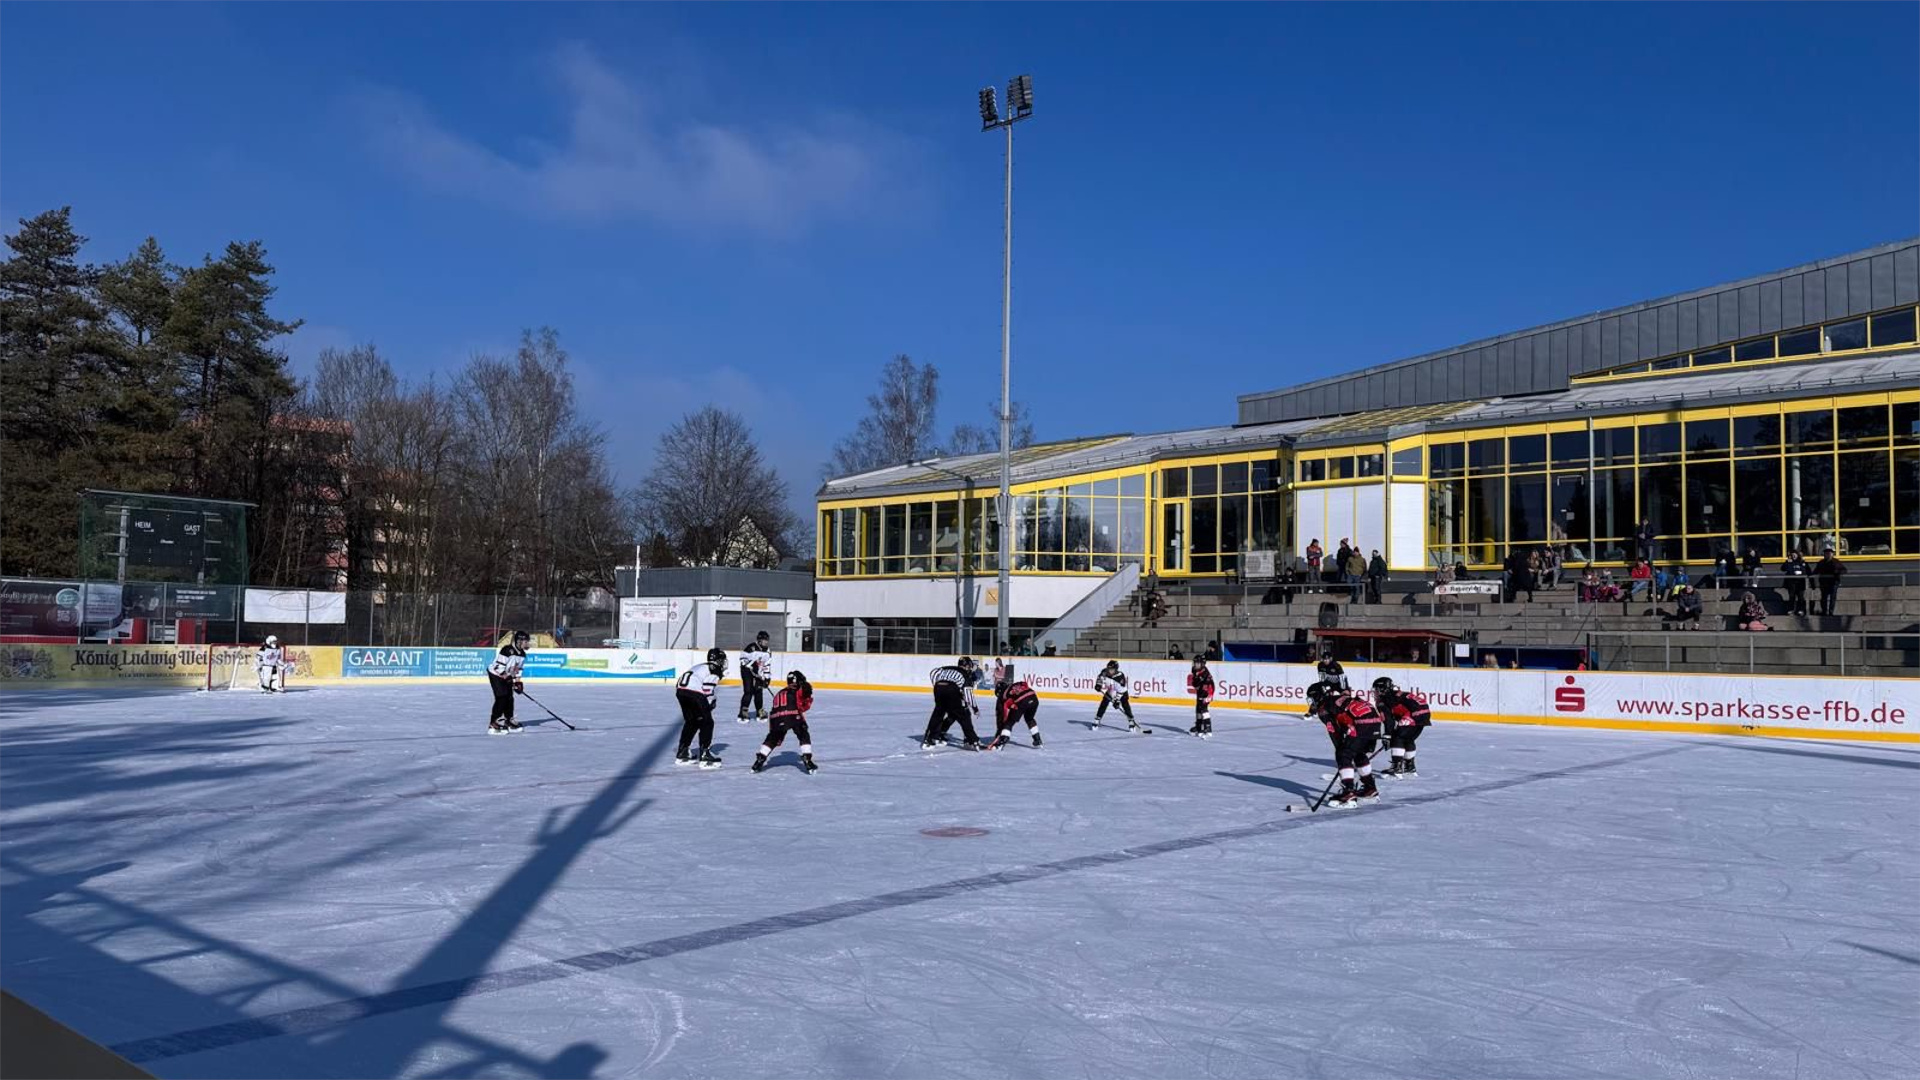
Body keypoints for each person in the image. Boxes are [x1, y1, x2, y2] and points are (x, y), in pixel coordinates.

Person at [1308, 681, 1383, 807]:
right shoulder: (1338, 698)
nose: (1311, 702)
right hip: (1374, 721)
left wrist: (1342, 755)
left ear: (1318, 696)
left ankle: (1348, 793)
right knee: (1359, 754)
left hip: (1361, 723)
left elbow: (1334, 732)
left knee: (1344, 753)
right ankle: (1370, 789)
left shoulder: (1324, 708)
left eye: (1312, 698)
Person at [752, 670, 818, 773]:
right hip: (792, 715)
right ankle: (807, 759)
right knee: (803, 734)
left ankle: (759, 760)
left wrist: (773, 729)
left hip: (775, 718)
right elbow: (804, 705)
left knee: (772, 739)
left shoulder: (780, 692)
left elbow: (774, 711)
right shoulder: (800, 689)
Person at [674, 647, 727, 767]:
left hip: (681, 691)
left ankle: (682, 752)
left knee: (692, 722)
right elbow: (707, 690)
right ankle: (705, 755)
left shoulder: (700, 666)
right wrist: (710, 703)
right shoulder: (715, 670)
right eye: (722, 660)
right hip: (694, 693)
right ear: (718, 660)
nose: (723, 663)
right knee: (707, 722)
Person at [1372, 677, 1431, 777]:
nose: (1375, 692)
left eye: (1376, 689)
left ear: (1382, 689)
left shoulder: (1383, 700)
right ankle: (1409, 766)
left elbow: (1388, 721)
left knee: (1397, 738)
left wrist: (1387, 736)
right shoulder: (1396, 693)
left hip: (1413, 714)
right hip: (1425, 713)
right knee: (1408, 739)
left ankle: (1397, 767)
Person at [922, 656, 983, 750]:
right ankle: (972, 741)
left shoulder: (948, 668)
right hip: (951, 689)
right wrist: (975, 709)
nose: (970, 668)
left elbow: (934, 672)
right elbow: (968, 693)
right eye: (969, 666)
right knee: (964, 715)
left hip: (938, 687)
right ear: (967, 666)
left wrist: (937, 684)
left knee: (938, 714)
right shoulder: (965, 674)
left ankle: (929, 739)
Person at [486, 630, 529, 734]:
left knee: (510, 697)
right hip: (496, 674)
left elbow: (518, 670)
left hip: (507, 676)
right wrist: (506, 676)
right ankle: (494, 722)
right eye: (525, 641)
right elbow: (498, 667)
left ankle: (508, 720)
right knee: (502, 696)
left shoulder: (522, 654)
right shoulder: (507, 650)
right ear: (519, 641)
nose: (527, 643)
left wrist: (518, 682)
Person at [987, 678, 1043, 749]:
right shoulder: (1014, 685)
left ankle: (1002, 742)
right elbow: (1024, 683)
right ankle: (1037, 739)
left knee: (1009, 722)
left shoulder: (1003, 695)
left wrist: (1002, 729)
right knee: (1029, 719)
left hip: (1022, 701)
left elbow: (1003, 713)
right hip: (1034, 697)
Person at [1094, 660, 1142, 731]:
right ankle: (1097, 719)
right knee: (1104, 702)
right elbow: (1100, 678)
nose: (1109, 671)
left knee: (1125, 703)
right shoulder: (1104, 672)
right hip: (1111, 689)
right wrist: (1098, 684)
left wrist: (1117, 700)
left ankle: (1131, 720)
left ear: (1116, 669)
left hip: (1121, 691)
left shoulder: (1120, 676)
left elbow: (1120, 691)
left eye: (1112, 670)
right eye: (1108, 669)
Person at [737, 631, 773, 721]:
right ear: (759, 641)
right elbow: (742, 658)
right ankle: (743, 711)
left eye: (767, 641)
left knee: (758, 690)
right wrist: (751, 665)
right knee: (748, 691)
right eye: (764, 641)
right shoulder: (751, 647)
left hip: (758, 673)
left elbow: (766, 665)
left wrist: (767, 678)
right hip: (747, 671)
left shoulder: (768, 651)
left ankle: (759, 711)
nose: (766, 643)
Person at [1186, 656, 1215, 737]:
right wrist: (1195, 683)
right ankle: (1199, 726)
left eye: (1197, 663)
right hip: (1200, 691)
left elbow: (1209, 686)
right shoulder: (1194, 669)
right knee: (1198, 708)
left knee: (1203, 708)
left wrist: (1208, 695)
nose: (1195, 665)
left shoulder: (1205, 673)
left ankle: (1208, 727)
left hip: (1208, 691)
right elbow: (1194, 682)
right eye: (1195, 663)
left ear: (1202, 664)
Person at [1815, 548, 1846, 617]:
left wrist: (1837, 572)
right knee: (1823, 598)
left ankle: (1831, 612)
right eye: (1826, 554)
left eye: (1829, 553)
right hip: (1824, 582)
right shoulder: (1821, 562)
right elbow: (1816, 571)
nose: (1828, 555)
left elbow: (1844, 570)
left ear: (1832, 554)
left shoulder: (1836, 562)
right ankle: (1824, 611)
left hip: (1833, 582)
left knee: (1832, 598)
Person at [1780, 551, 1811, 616]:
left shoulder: (1802, 562)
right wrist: (1787, 562)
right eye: (1792, 555)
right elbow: (1783, 569)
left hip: (1800, 583)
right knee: (1792, 597)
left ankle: (1801, 610)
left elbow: (1808, 571)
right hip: (1791, 583)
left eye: (1795, 555)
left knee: (1801, 597)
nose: (1794, 556)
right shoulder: (1789, 562)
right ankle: (1791, 610)